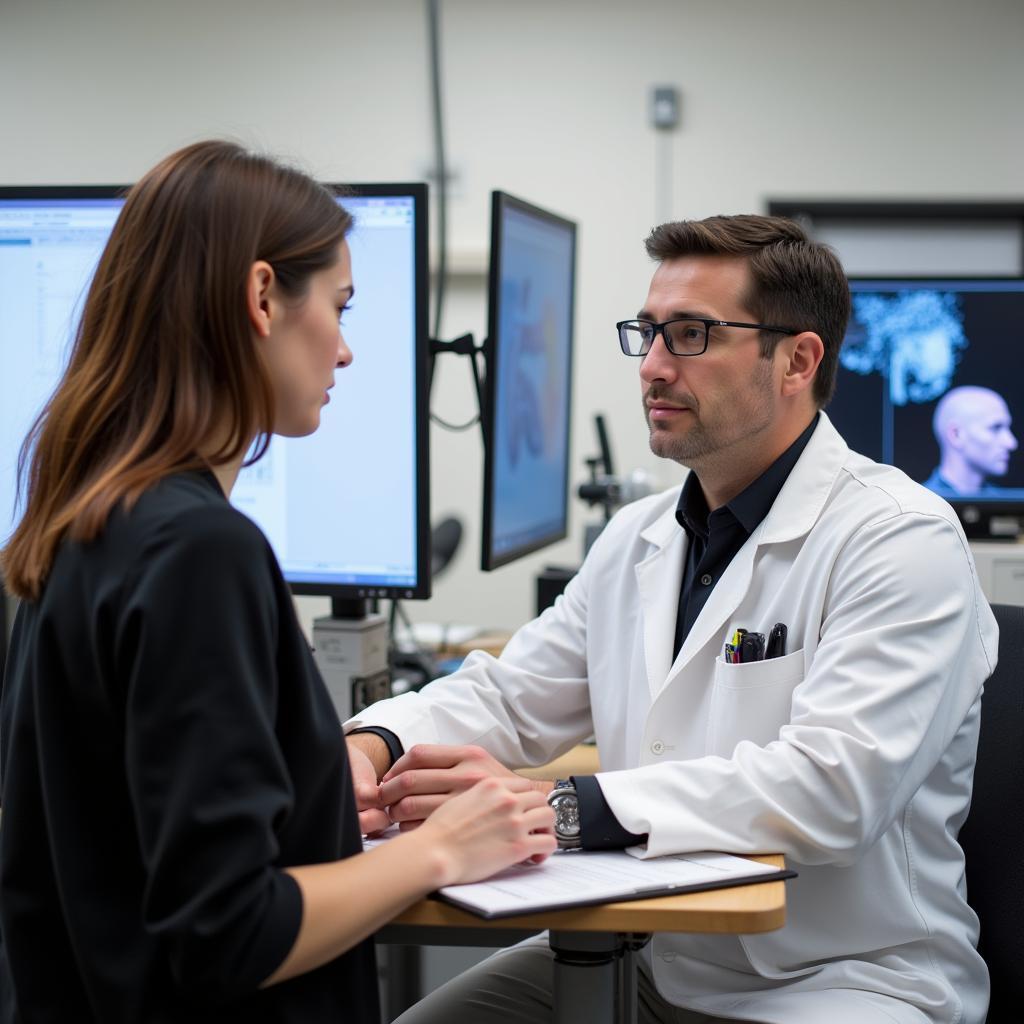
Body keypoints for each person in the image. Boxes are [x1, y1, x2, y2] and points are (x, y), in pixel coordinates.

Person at [345, 215, 998, 1024]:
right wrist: (369, 745)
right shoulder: (639, 537)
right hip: (652, 956)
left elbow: (834, 790)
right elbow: (512, 696)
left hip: (842, 980)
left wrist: (562, 809)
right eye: (648, 334)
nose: (652, 367)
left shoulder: (899, 538)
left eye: (690, 335)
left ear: (797, 360)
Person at [0, 140, 556, 1024]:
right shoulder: (198, 553)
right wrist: (442, 850)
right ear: (262, 296)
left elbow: (125, 838)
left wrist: (316, 802)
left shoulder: (84, 520)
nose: (344, 351)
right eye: (338, 306)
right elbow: (227, 932)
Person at [923, 384, 1018, 496]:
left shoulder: (1006, 505)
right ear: (956, 434)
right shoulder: (915, 507)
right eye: (995, 428)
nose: (1011, 443)